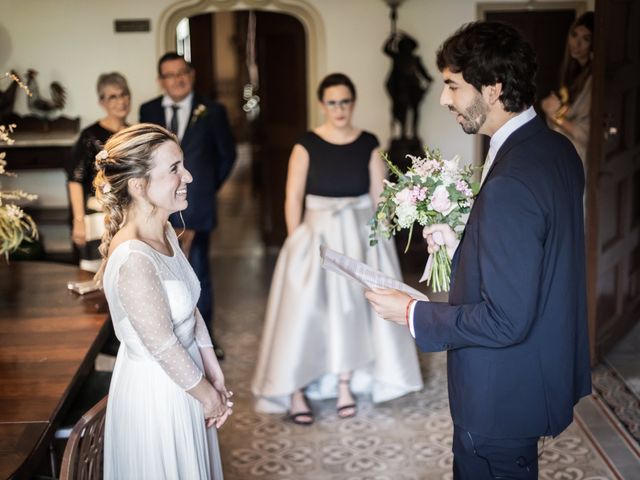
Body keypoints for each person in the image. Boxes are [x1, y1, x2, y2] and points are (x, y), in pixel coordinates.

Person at [365, 22, 591, 479]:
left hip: (499, 394)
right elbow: (540, 252)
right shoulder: (555, 149)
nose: (445, 99)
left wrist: (412, 312)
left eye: (452, 85)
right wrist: (465, 234)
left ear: (493, 88)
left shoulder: (510, 178)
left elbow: (506, 317)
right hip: (537, 372)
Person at [252, 73, 423, 425]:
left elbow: (379, 196)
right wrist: (295, 238)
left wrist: (387, 230)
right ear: (322, 105)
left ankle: (345, 383)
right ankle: (295, 388)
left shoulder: (369, 143)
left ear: (353, 103)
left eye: (345, 101)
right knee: (303, 311)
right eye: (333, 102)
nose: (340, 108)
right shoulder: (306, 144)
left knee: (353, 310)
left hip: (359, 235)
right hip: (317, 236)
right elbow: (293, 196)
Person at [94, 123, 232, 479]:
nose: (187, 175)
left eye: (182, 164)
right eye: (174, 169)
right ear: (139, 186)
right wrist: (210, 398)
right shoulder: (133, 259)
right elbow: (163, 345)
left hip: (187, 379)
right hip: (158, 395)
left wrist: (211, 367)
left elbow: (188, 303)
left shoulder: (166, 229)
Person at [140, 52, 236, 360]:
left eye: (182, 73)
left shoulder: (213, 110)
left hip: (197, 206)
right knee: (161, 272)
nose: (176, 79)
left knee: (197, 273)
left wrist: (204, 189)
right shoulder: (149, 109)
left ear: (191, 75)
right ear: (160, 80)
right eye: (169, 75)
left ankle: (205, 338)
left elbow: (227, 156)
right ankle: (168, 337)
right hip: (157, 210)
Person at [68, 72, 130, 272]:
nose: (121, 101)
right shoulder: (90, 135)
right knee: (96, 276)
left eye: (124, 94)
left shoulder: (133, 133)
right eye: (113, 96)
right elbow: (75, 180)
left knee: (126, 273)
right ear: (102, 102)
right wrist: (78, 222)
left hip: (128, 214)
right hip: (97, 216)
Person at [541, 12, 594, 166]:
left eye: (586, 39)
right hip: (567, 152)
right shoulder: (571, 72)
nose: (576, 43)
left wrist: (555, 115)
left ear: (594, 44)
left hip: (582, 157)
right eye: (574, 35)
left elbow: (586, 132)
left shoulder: (593, 79)